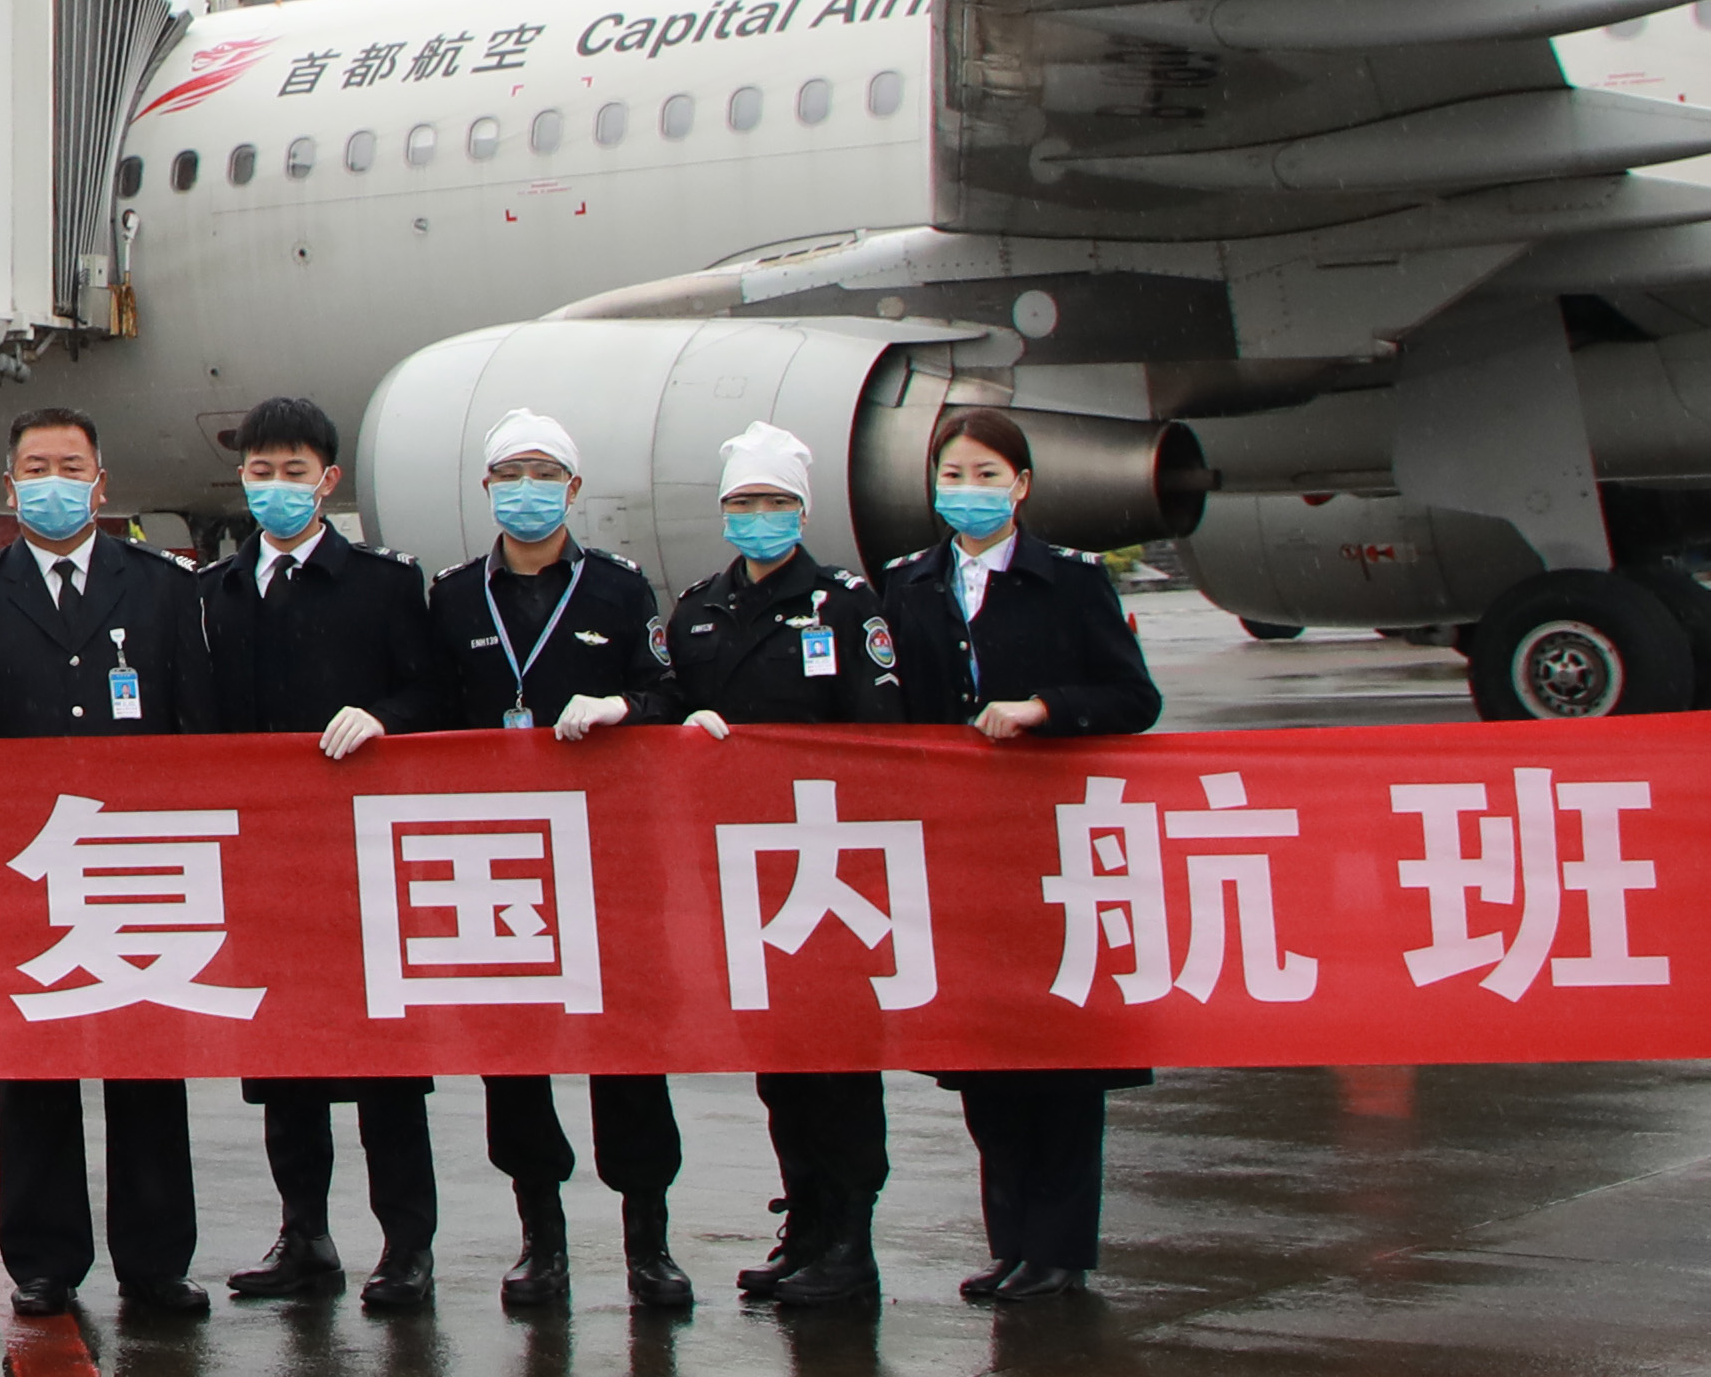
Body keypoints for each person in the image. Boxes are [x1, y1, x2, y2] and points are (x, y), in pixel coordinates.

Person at [0, 407, 218, 1326]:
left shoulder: (166, 588)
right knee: (36, 1070)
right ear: (9, 488)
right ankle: (44, 1260)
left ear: (102, 481)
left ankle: (156, 1259)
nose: (54, 480)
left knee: (146, 1068)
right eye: (35, 466)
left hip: (139, 865)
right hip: (24, 874)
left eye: (71, 464)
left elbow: (198, 736)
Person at [868, 407, 1166, 1302]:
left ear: (1024, 486)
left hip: (1051, 848)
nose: (967, 492)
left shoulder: (1068, 581)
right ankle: (1011, 1242)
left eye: (986, 475)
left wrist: (1045, 706)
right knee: (986, 1054)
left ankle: (1062, 1248)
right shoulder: (909, 583)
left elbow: (1132, 697)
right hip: (957, 850)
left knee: (1063, 1054)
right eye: (952, 476)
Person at [408, 410, 698, 1317]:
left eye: (543, 474)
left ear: (573, 489)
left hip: (607, 852)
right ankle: (542, 1238)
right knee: (514, 1054)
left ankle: (648, 1241)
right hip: (499, 859)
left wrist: (621, 705)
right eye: (508, 474)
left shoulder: (618, 589)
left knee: (627, 1048)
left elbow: (669, 690)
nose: (525, 491)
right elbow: (429, 709)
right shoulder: (454, 596)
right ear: (487, 489)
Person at [193, 394, 453, 1314]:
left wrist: (384, 716)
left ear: (328, 479)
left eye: (292, 472)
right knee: (285, 1061)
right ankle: (304, 1232)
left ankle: (406, 1243)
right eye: (258, 472)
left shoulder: (383, 583)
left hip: (363, 862)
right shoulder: (215, 591)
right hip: (262, 861)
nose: (273, 488)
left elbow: (434, 693)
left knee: (386, 1065)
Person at [657, 422, 915, 1314]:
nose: (757, 517)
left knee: (841, 1057)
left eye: (773, 503)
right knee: (781, 1063)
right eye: (742, 502)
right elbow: (671, 703)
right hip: (742, 873)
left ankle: (851, 1237)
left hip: (830, 865)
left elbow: (880, 736)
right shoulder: (697, 608)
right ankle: (804, 1223)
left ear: (801, 511)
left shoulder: (846, 605)